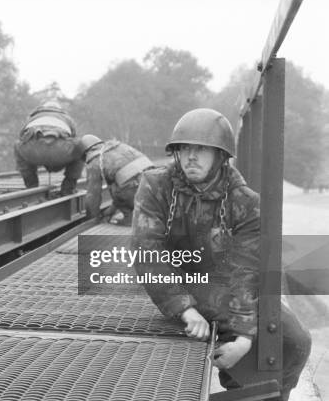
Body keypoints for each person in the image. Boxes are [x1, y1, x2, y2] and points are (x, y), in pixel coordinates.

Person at [131, 108, 311, 401]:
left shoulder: (244, 202)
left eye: (201, 149)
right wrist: (184, 308)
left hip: (224, 287)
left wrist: (243, 337)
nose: (191, 156)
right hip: (176, 285)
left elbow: (247, 270)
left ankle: (266, 394)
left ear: (221, 156)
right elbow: (146, 251)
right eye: (185, 148)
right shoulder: (155, 186)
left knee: (294, 341)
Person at [14, 100, 84, 195]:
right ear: (59, 109)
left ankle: (31, 187)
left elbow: (22, 137)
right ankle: (68, 188)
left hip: (33, 151)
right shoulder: (66, 117)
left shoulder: (32, 117)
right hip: (60, 151)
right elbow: (73, 137)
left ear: (42, 108)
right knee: (81, 147)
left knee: (17, 145)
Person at [81, 134, 154, 223]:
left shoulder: (94, 160)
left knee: (114, 186)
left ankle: (129, 217)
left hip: (135, 189)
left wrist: (92, 219)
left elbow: (93, 196)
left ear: (85, 153)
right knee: (120, 182)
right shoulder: (119, 146)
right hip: (153, 185)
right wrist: (110, 211)